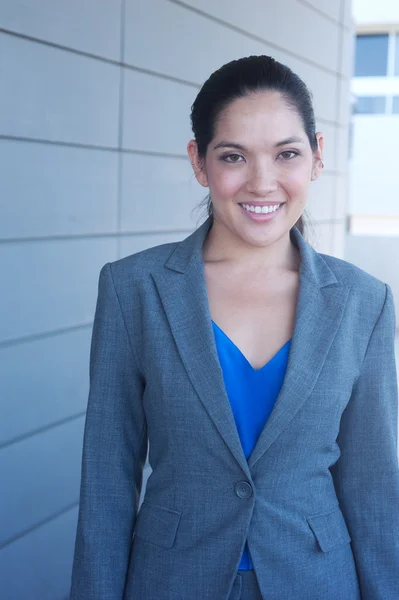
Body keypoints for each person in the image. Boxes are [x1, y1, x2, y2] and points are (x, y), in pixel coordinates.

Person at [70, 55, 399, 600]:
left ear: (317, 156)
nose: (262, 182)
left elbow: (373, 488)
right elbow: (106, 480)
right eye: (233, 156)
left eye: (286, 154)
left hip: (316, 581)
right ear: (199, 163)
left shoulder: (365, 302)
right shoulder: (135, 290)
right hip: (171, 582)